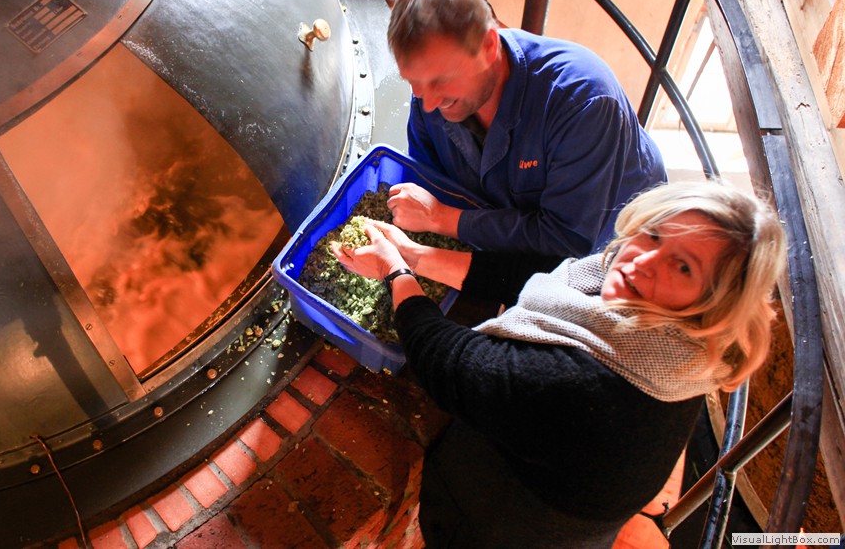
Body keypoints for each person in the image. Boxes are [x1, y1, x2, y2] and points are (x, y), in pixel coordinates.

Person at [331, 181, 786, 548]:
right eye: (654, 234)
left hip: (507, 526)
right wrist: (415, 255)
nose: (644, 260)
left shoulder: (584, 383)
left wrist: (395, 273)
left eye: (683, 267)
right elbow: (533, 277)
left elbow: (447, 364)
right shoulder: (665, 326)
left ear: (715, 302)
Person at [386, 0, 667, 257]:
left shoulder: (583, 103)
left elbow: (567, 240)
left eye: (441, 80)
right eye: (413, 81)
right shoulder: (430, 94)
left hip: (613, 243)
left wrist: (444, 219)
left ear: (489, 46)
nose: (429, 103)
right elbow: (429, 181)